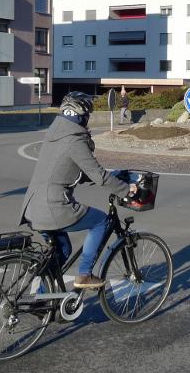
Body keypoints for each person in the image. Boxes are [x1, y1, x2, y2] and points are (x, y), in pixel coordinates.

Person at [19, 92, 136, 289]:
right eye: (87, 115)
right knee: (101, 221)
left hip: (33, 207)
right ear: (81, 115)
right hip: (53, 207)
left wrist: (113, 175)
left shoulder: (55, 133)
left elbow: (70, 171)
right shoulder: (74, 139)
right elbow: (98, 175)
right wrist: (126, 190)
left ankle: (42, 299)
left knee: (62, 251)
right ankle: (84, 275)